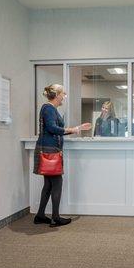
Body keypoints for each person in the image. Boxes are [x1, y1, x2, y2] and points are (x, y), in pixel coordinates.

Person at [33, 84, 91, 227]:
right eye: (63, 94)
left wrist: (76, 129)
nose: (64, 96)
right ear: (57, 95)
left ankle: (40, 215)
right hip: (49, 150)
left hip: (49, 148)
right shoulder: (49, 108)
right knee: (57, 182)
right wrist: (73, 129)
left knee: (48, 184)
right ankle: (55, 217)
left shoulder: (50, 109)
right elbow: (52, 128)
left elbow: (55, 129)